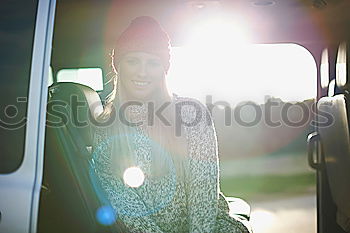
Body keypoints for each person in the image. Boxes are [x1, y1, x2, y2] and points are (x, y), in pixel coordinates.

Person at [92, 16, 252, 233]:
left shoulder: (191, 114)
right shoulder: (106, 126)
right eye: (133, 61)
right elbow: (127, 206)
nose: (142, 71)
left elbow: (202, 196)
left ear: (163, 69)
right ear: (119, 66)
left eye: (152, 62)